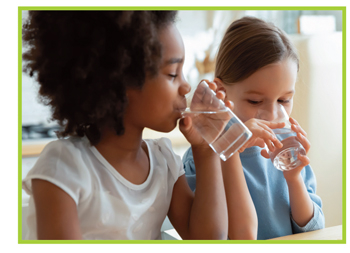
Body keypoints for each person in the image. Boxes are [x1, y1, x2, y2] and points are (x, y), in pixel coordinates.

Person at [22, 11, 230, 240]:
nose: (186, 87)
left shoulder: (164, 161)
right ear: (118, 80)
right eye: (172, 74)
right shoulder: (65, 168)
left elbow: (208, 239)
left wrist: (205, 148)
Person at [182, 16, 325, 240]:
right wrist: (232, 143)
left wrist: (294, 179)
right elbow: (213, 237)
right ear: (222, 92)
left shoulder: (288, 153)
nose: (273, 115)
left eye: (284, 100)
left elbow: (313, 231)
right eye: (255, 102)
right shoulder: (203, 157)